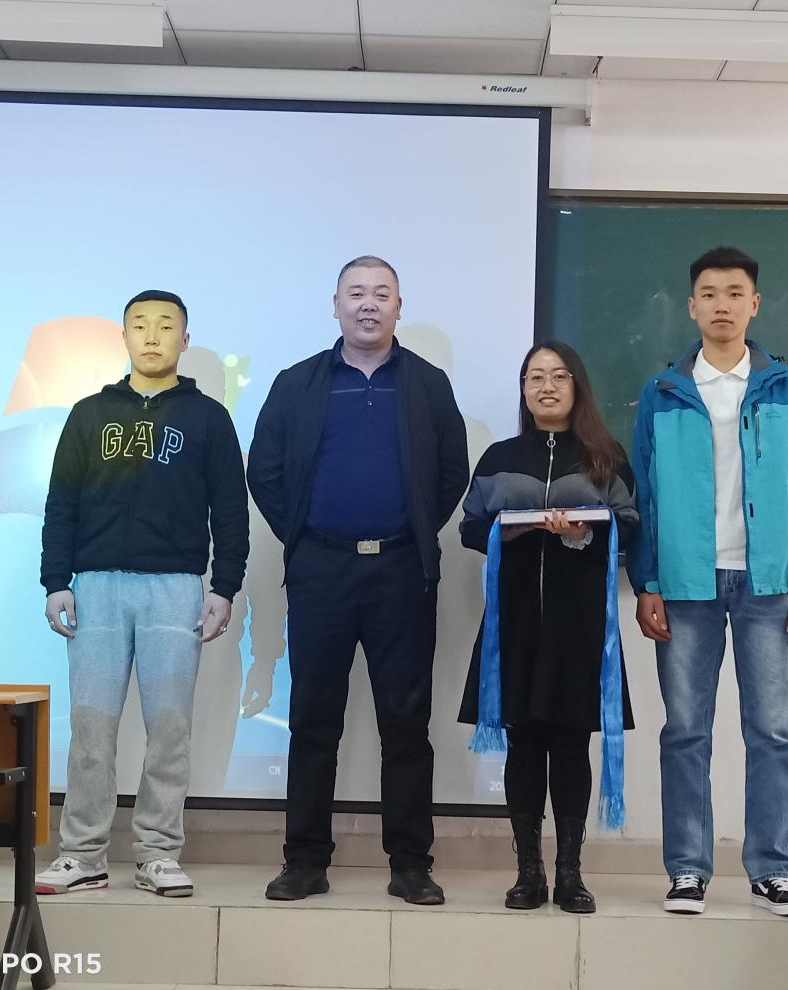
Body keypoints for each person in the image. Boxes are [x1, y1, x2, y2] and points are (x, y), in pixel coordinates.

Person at [248, 256, 469, 905]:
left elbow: (452, 470)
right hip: (321, 569)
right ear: (336, 304)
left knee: (407, 724)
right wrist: (305, 534)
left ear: (399, 305)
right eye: (356, 293)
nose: (368, 304)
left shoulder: (427, 384)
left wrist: (415, 527)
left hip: (402, 568)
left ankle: (410, 864)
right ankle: (304, 860)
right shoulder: (298, 383)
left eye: (381, 293)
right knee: (313, 719)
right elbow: (265, 470)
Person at [628, 247, 788, 918]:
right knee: (686, 730)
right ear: (692, 307)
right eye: (709, 293)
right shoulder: (662, 392)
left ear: (754, 304)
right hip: (685, 583)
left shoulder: (787, 387)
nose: (722, 304)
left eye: (734, 292)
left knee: (771, 730)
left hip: (768, 582)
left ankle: (773, 871)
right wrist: (646, 580)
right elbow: (645, 495)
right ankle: (688, 869)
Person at [36, 290, 249, 898]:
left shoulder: (208, 418)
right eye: (139, 326)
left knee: (170, 728)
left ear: (185, 339)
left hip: (175, 588)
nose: (152, 336)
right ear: (124, 336)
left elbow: (230, 510)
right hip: (96, 587)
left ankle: (157, 852)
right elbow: (61, 503)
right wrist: (56, 581)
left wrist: (224, 587)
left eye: (165, 326)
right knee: (91, 729)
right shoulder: (89, 414)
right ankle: (82, 854)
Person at [458, 341, 637, 913]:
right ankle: (528, 871)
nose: (547, 387)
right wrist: (506, 531)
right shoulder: (499, 456)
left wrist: (581, 535)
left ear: (576, 386)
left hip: (579, 625)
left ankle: (570, 873)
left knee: (570, 742)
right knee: (524, 742)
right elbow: (469, 527)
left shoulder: (606, 457)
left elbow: (629, 527)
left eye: (559, 376)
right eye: (535, 377)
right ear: (524, 390)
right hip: (513, 621)